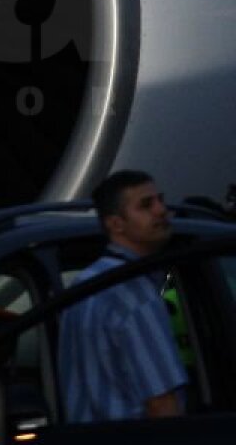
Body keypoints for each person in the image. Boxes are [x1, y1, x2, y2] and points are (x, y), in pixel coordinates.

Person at [57, 170, 187, 423]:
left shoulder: (83, 284)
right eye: (146, 205)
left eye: (160, 199)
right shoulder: (135, 296)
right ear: (116, 224)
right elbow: (162, 404)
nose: (161, 210)